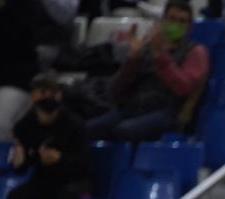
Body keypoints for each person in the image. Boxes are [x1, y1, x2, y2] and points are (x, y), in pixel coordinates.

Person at [86, 0, 209, 142]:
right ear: (162, 21)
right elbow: (115, 91)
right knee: (89, 128)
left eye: (182, 22)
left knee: (124, 131)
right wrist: (132, 60)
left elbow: (182, 88)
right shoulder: (146, 47)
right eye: (172, 19)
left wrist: (159, 55)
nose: (176, 25)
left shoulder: (195, 52)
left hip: (166, 113)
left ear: (190, 27)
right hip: (133, 108)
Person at [7, 72, 90, 199]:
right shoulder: (23, 126)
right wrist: (19, 161)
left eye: (53, 92)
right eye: (42, 91)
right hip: (44, 180)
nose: (47, 96)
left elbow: (84, 164)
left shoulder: (75, 123)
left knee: (68, 195)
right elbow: (20, 168)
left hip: (74, 180)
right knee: (17, 196)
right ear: (33, 95)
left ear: (59, 94)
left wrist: (60, 159)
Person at [0, 0, 38, 144]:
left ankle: (11, 163)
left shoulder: (22, 6)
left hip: (16, 77)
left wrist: (1, 8)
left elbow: (21, 42)